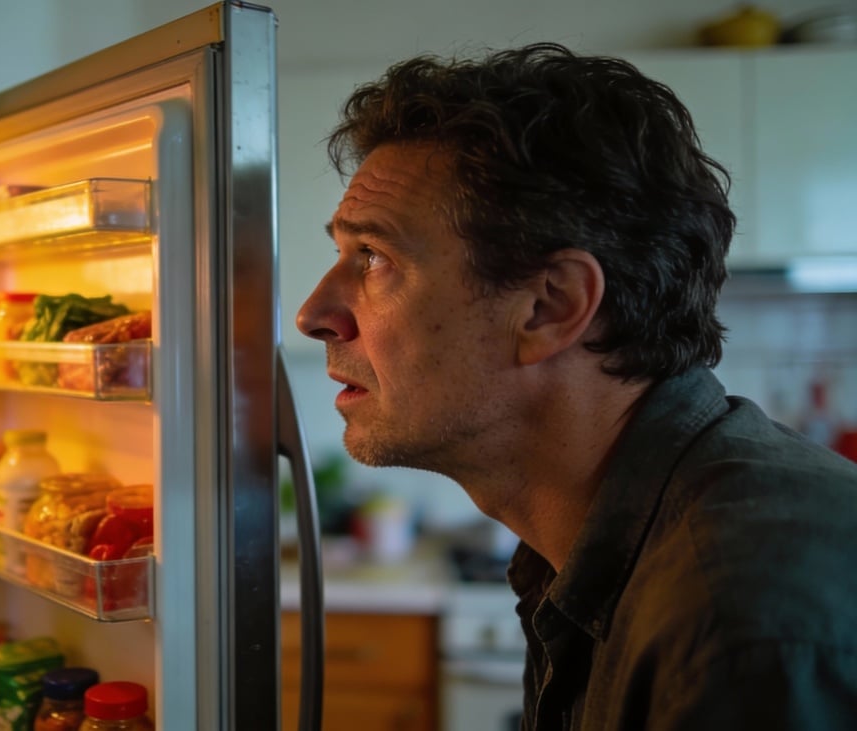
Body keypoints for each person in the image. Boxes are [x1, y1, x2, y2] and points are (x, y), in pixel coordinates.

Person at [295, 42, 857, 730]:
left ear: (550, 306)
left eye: (374, 256)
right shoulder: (595, 538)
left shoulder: (736, 622)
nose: (314, 314)